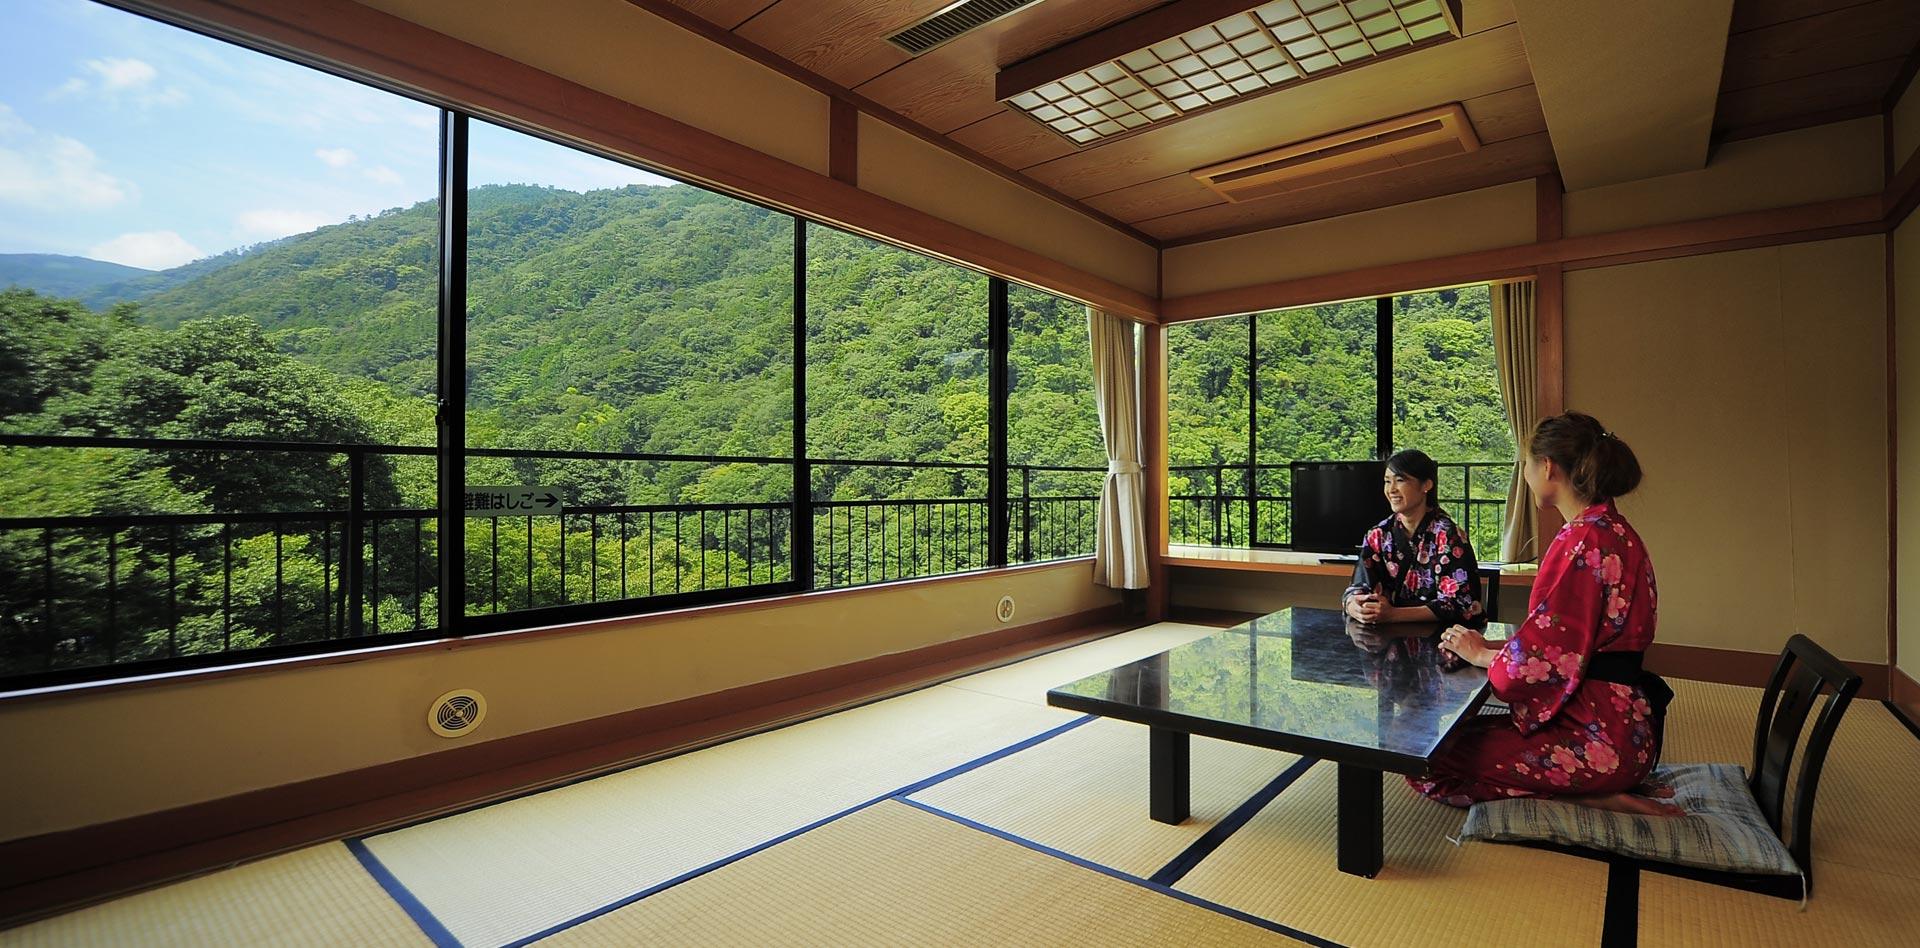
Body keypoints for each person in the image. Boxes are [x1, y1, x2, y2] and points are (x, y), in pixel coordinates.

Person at [1416, 412, 1677, 816]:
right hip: (1629, 729)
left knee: (1427, 759)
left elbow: (1543, 659)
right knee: (1458, 737)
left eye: (1525, 464)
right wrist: (1491, 646)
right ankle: (1597, 789)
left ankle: (1592, 796)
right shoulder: (1614, 529)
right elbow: (1566, 645)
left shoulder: (1582, 540)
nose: (1525, 474)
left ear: (1548, 467)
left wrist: (1484, 656)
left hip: (1597, 742)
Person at [1342, 449, 1485, 629]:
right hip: (1389, 639)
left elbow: (1461, 603)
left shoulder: (1448, 535)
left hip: (1443, 639)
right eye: (1387, 481)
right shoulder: (1378, 535)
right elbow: (1358, 587)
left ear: (1426, 485)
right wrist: (1353, 606)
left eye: (1400, 480)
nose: (1391, 490)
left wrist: (1393, 614)